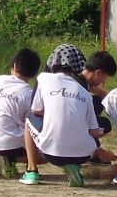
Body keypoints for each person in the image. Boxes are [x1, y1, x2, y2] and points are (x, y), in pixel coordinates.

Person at [21, 44, 103, 186]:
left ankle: (31, 170)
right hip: (83, 155)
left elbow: (36, 111)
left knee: (30, 119)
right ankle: (74, 166)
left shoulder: (44, 78)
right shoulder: (84, 91)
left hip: (50, 153)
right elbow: (94, 131)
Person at [0, 48, 40, 179]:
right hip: (10, 144)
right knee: (46, 153)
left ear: (15, 66)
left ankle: (6, 159)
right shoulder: (29, 93)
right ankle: (12, 159)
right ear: (34, 73)